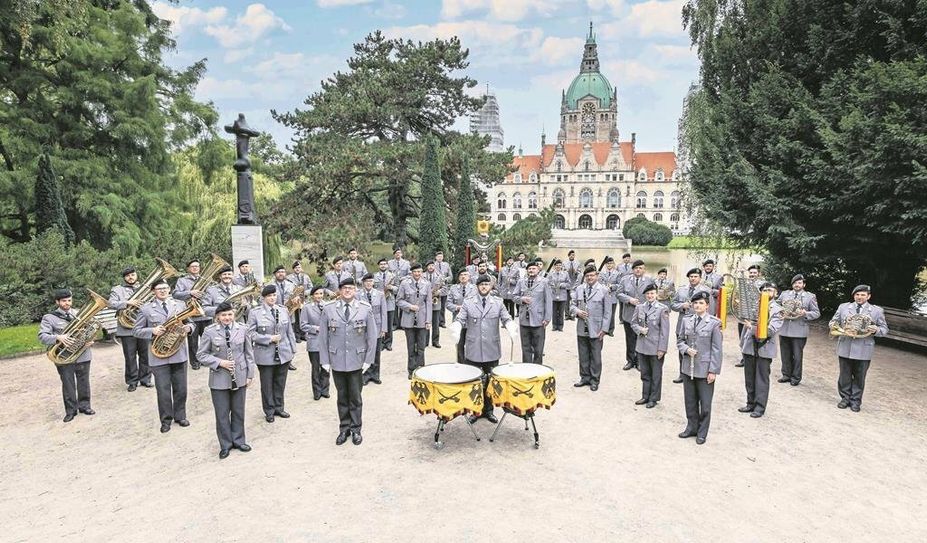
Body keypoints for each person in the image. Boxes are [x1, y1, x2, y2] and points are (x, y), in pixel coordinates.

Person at [450, 274, 518, 424]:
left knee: (490, 381)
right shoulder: (468, 302)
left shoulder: (498, 302)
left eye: (486, 284)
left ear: (490, 286)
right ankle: (475, 411)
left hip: (491, 348)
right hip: (474, 347)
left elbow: (506, 317)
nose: (484, 287)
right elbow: (460, 318)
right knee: (474, 382)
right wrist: (457, 325)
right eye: (481, 285)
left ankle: (489, 410)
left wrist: (510, 325)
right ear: (477, 287)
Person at [318, 278, 378, 445]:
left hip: (357, 360)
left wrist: (368, 360)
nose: (348, 291)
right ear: (339, 290)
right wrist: (325, 360)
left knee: (356, 397)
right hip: (337, 360)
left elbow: (372, 336)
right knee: (342, 397)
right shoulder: (329, 309)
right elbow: (323, 337)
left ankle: (356, 429)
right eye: (344, 288)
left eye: (351, 288)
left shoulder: (365, 309)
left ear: (355, 290)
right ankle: (344, 428)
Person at [133, 279, 193, 433]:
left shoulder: (179, 305)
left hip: (179, 354)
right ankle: (166, 420)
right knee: (163, 390)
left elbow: (191, 323)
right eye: (159, 288)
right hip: (158, 356)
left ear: (169, 289)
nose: (163, 291)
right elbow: (136, 331)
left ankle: (180, 416)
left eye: (165, 288)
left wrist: (189, 328)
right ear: (153, 291)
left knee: (181, 388)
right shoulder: (146, 309)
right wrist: (151, 331)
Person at [196, 301, 255, 459]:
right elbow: (201, 355)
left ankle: (239, 440)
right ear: (218, 316)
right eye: (223, 315)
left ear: (234, 314)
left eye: (230, 314)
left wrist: (250, 375)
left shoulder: (243, 329)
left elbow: (249, 354)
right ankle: (225, 444)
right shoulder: (209, 331)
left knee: (238, 410)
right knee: (222, 413)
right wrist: (219, 362)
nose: (227, 318)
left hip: (240, 375)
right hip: (219, 377)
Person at [829, 285, 889, 412]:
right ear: (854, 296)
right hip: (845, 345)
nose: (859, 297)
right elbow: (833, 322)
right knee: (844, 375)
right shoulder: (843, 307)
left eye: (863, 295)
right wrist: (835, 326)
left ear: (868, 296)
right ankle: (845, 398)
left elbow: (884, 329)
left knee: (860, 377)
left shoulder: (876, 311)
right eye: (857, 295)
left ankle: (855, 401)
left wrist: (876, 330)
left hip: (864, 348)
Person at [38, 289, 95, 422]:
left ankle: (85, 406)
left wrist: (89, 340)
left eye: (69, 300)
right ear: (57, 302)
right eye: (64, 301)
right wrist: (58, 337)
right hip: (64, 356)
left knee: (84, 382)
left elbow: (90, 329)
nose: (67, 303)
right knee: (68, 383)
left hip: (83, 354)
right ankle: (71, 411)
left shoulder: (79, 313)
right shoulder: (49, 318)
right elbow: (42, 336)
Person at [677, 291, 723, 445]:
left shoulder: (714, 323)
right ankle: (691, 428)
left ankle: (702, 433)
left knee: (705, 404)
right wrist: (686, 349)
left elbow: (717, 349)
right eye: (695, 303)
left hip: (704, 369)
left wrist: (713, 371)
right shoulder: (687, 320)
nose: (697, 305)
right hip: (688, 367)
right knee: (690, 401)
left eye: (701, 303)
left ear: (707, 305)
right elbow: (680, 340)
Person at [248, 284, 297, 423]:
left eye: (274, 295)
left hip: (283, 352)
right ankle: (269, 410)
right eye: (269, 296)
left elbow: (289, 331)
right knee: (267, 384)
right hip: (265, 354)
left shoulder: (283, 310)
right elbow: (250, 334)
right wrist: (268, 338)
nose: (272, 298)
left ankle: (279, 408)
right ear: (263, 298)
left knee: (280, 382)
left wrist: (293, 349)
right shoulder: (255, 313)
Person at [738, 282, 784, 418]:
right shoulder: (754, 306)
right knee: (749, 377)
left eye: (770, 290)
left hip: (765, 347)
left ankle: (759, 407)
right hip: (749, 346)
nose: (766, 292)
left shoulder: (778, 310)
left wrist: (751, 328)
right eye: (764, 290)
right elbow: (745, 323)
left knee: (761, 379)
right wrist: (743, 343)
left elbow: (770, 330)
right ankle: (750, 403)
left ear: (776, 293)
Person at [108, 266, 151, 391]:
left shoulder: (145, 288)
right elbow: (110, 304)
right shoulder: (117, 290)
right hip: (127, 329)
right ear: (124, 278)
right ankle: (132, 381)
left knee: (145, 355)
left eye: (132, 274)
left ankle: (145, 379)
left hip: (143, 327)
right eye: (127, 276)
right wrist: (127, 303)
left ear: (136, 275)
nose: (130, 277)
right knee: (130, 356)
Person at [570, 266, 612, 391]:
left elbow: (608, 312)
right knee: (583, 354)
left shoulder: (603, 290)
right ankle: (584, 377)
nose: (589, 278)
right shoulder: (579, 289)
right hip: (582, 327)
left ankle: (594, 380)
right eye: (587, 276)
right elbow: (572, 305)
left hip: (597, 328)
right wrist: (578, 312)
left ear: (597, 276)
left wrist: (604, 329)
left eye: (592, 275)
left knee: (595, 356)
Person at [630, 283, 671, 408]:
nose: (650, 296)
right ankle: (645, 396)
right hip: (642, 346)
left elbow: (665, 332)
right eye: (647, 294)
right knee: (645, 373)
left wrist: (662, 349)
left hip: (655, 347)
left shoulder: (662, 309)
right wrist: (640, 330)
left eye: (652, 293)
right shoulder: (640, 307)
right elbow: (633, 323)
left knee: (656, 374)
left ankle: (653, 398)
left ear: (656, 294)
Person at [777, 274, 820, 386]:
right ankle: (786, 375)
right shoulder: (785, 294)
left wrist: (805, 313)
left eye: (800, 283)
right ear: (792, 284)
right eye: (795, 283)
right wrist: (780, 311)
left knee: (797, 356)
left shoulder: (810, 297)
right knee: (785, 354)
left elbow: (816, 313)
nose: (797, 285)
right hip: (785, 329)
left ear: (804, 285)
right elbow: (776, 306)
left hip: (799, 330)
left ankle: (796, 378)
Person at [670, 268, 712, 384]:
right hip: (683, 324)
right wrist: (682, 306)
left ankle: (698, 373)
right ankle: (682, 373)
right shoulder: (681, 290)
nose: (693, 278)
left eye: (695, 276)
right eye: (691, 277)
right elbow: (672, 304)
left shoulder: (705, 291)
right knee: (682, 349)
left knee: (699, 350)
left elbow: (711, 309)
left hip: (700, 326)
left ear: (700, 278)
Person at [512, 260, 553, 365]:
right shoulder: (521, 282)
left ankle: (538, 368)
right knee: (525, 347)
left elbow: (548, 301)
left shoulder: (544, 282)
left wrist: (547, 318)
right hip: (524, 319)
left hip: (538, 319)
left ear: (538, 270)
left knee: (538, 348)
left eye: (534, 268)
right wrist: (522, 299)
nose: (531, 270)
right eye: (529, 269)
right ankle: (527, 367)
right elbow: (514, 296)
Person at [617, 260, 654, 370]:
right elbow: (618, 293)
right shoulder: (625, 280)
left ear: (644, 269)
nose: (638, 270)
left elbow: (653, 296)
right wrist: (629, 299)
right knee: (630, 338)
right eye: (636, 268)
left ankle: (639, 361)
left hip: (643, 315)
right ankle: (630, 361)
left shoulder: (649, 281)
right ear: (632, 269)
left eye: (640, 268)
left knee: (641, 338)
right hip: (629, 314)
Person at [172, 259, 210, 370]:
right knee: (193, 342)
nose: (195, 268)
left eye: (197, 266)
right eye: (192, 266)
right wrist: (190, 293)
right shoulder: (182, 280)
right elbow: (175, 294)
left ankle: (205, 359)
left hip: (205, 314)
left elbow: (211, 293)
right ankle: (195, 362)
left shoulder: (206, 280)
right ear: (188, 268)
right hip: (191, 315)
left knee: (207, 339)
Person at [397, 263, 432, 378]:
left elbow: (429, 303)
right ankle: (411, 370)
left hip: (422, 319)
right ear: (411, 273)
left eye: (419, 272)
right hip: (409, 319)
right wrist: (410, 306)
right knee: (411, 347)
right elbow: (399, 300)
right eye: (415, 272)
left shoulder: (427, 284)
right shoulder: (404, 283)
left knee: (421, 347)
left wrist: (428, 320)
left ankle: (421, 370)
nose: (417, 274)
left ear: (422, 272)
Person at [299, 286, 331, 400]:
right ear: (312, 295)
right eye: (316, 294)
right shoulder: (307, 308)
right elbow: (303, 325)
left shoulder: (328, 306)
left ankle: (325, 389)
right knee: (316, 368)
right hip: (314, 341)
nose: (319, 296)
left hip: (327, 341)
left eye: (321, 294)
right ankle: (317, 391)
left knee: (326, 367)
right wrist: (315, 328)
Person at [359, 273, 388, 385]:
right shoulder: (358, 294)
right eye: (367, 281)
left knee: (376, 352)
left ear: (373, 282)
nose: (369, 283)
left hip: (377, 326)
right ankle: (365, 375)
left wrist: (384, 328)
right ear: (363, 283)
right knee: (365, 351)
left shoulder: (380, 294)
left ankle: (375, 375)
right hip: (363, 327)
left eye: (371, 281)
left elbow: (383, 312)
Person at [735, 265, 764, 368]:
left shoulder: (763, 285)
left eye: (754, 273)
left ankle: (755, 359)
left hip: (756, 317)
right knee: (743, 338)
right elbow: (738, 296)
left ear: (759, 274)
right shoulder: (744, 284)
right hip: (744, 316)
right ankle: (744, 358)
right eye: (751, 273)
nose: (752, 275)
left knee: (755, 338)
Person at [446, 269, 476, 364]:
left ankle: (471, 364)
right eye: (461, 275)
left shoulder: (474, 288)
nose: (463, 276)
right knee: (459, 344)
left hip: (471, 321)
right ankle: (461, 364)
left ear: (469, 277)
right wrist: (456, 307)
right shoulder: (453, 288)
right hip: (458, 320)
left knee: (471, 344)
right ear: (459, 277)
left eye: (465, 275)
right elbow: (448, 303)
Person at [372, 258, 397, 350]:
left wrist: (392, 287)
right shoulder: (374, 276)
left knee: (389, 324)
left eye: (384, 264)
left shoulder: (393, 275)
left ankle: (388, 343)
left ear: (387, 265)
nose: (383, 265)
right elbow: (372, 288)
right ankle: (381, 343)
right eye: (381, 264)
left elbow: (398, 288)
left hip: (389, 302)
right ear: (379, 266)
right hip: (378, 303)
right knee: (380, 323)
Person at [599, 256, 621, 335]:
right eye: (607, 263)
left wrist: (612, 287)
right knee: (604, 313)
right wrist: (605, 288)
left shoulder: (617, 273)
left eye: (611, 263)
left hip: (613, 296)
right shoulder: (601, 273)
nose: (609, 265)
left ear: (613, 264)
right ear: (605, 264)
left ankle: (611, 330)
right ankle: (604, 329)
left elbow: (619, 285)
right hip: (603, 296)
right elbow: (599, 283)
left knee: (612, 314)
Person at [425, 261, 444, 348]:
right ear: (426, 267)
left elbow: (445, 288)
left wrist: (439, 291)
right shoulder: (422, 276)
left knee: (436, 324)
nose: (431, 267)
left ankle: (435, 341)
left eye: (432, 265)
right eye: (429, 265)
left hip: (436, 303)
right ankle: (425, 341)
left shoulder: (439, 276)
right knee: (425, 323)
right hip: (425, 303)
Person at [547, 259, 570, 331]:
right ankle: (554, 326)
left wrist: (563, 285)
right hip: (553, 295)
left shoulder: (565, 274)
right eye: (557, 265)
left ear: (562, 266)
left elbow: (569, 284)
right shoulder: (551, 274)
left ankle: (560, 326)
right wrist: (551, 285)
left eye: (560, 265)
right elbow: (547, 283)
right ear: (554, 266)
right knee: (554, 312)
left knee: (561, 312)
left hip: (562, 295)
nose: (558, 266)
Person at [434, 251, 452, 327]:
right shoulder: (433, 265)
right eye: (438, 257)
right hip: (435, 289)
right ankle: (435, 322)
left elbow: (451, 276)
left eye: (441, 256)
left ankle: (442, 322)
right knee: (435, 305)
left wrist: (445, 279)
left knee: (442, 307)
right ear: (436, 257)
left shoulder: (446, 265)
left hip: (444, 288)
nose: (440, 258)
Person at [564, 250, 581, 320]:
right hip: (567, 284)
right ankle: (566, 315)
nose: (572, 256)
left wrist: (576, 272)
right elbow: (562, 272)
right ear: (568, 256)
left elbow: (580, 273)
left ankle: (573, 315)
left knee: (573, 301)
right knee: (567, 301)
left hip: (574, 284)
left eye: (573, 255)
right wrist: (566, 271)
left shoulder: (578, 263)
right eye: (571, 255)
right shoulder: (564, 263)